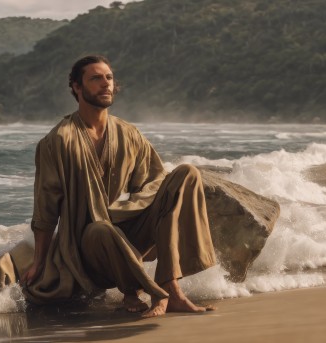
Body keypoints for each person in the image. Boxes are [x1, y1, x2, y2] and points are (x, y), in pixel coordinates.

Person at [19, 55, 216, 318]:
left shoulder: (128, 133)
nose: (106, 84)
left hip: (124, 230)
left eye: (109, 78)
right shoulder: (57, 141)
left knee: (187, 174)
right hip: (86, 245)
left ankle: (171, 288)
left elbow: (155, 180)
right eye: (96, 78)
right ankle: (135, 291)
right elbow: (46, 207)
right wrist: (40, 261)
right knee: (101, 228)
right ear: (77, 88)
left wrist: (126, 209)